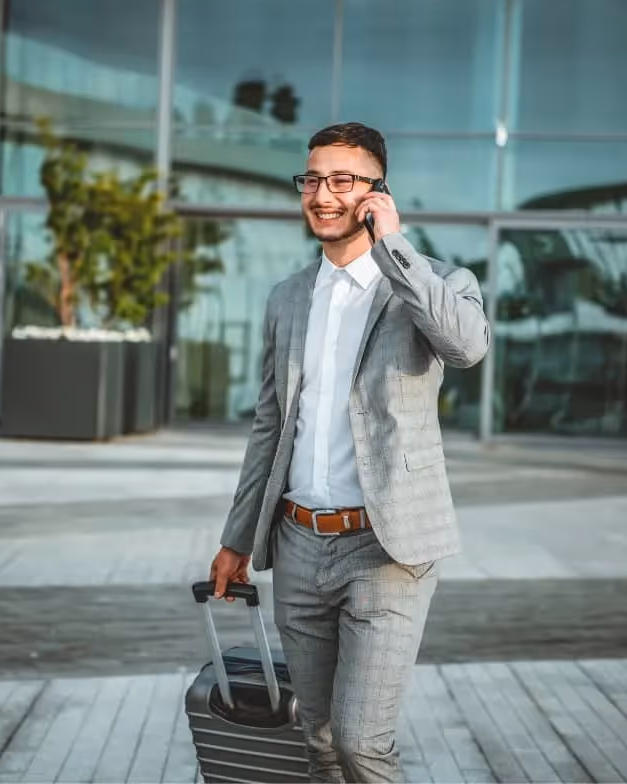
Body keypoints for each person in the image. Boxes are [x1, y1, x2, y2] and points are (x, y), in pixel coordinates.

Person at [209, 122, 490, 783]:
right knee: (319, 736)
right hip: (300, 544)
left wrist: (395, 246)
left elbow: (467, 347)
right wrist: (237, 538)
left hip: (386, 550)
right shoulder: (288, 297)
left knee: (364, 742)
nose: (322, 194)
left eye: (343, 180)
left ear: (375, 193)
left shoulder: (436, 283)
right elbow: (270, 426)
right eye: (313, 178)